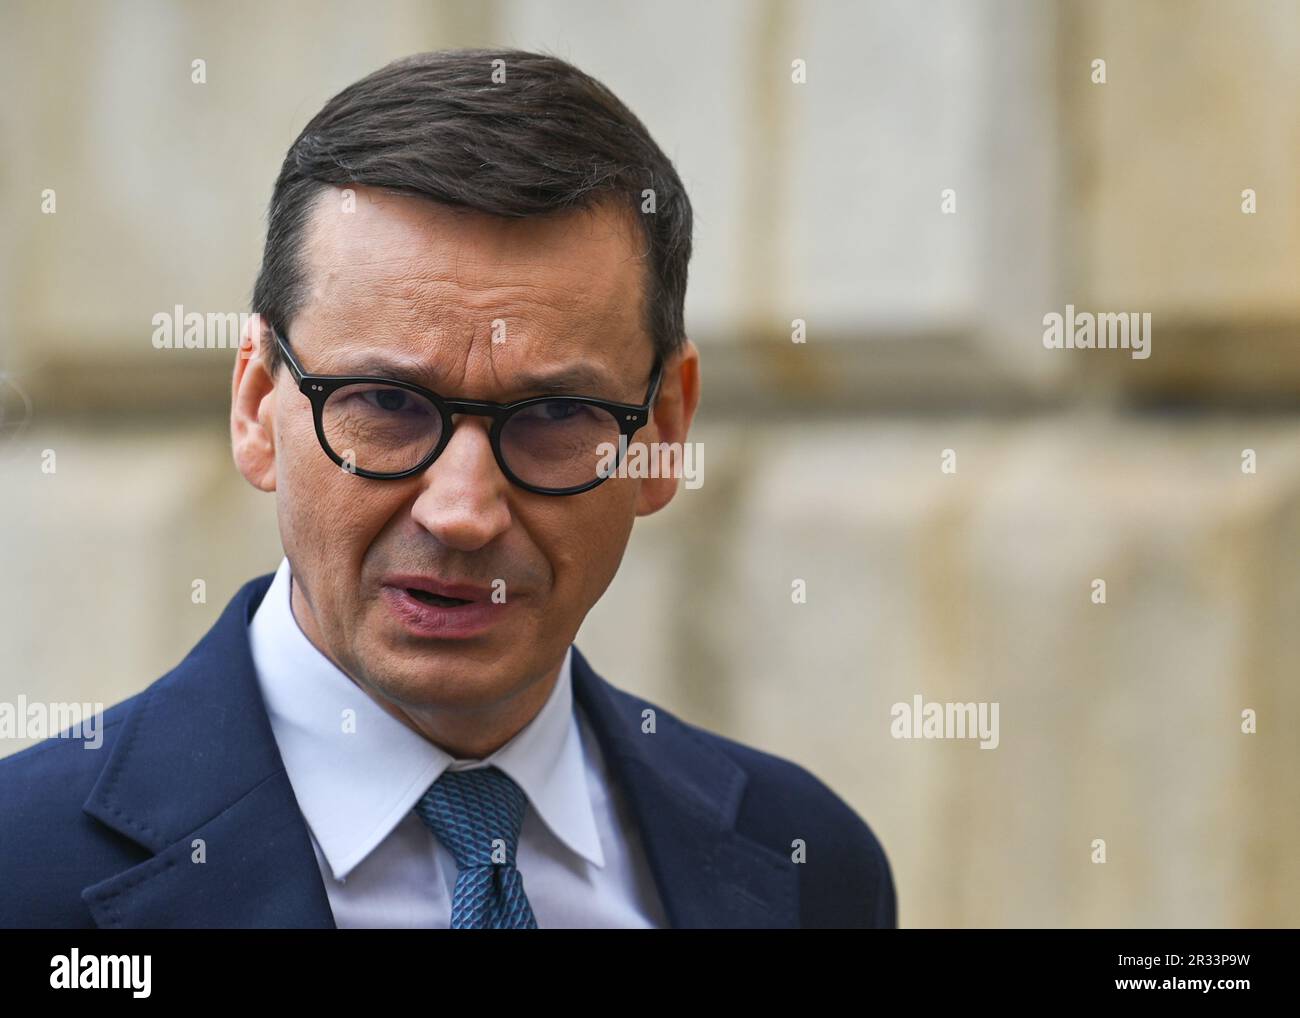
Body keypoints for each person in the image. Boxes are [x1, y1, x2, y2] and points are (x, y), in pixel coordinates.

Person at [0, 48, 895, 929]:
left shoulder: (809, 866)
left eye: (553, 416)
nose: (462, 513)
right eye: (385, 403)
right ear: (254, 404)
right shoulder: (22, 872)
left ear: (662, 431)